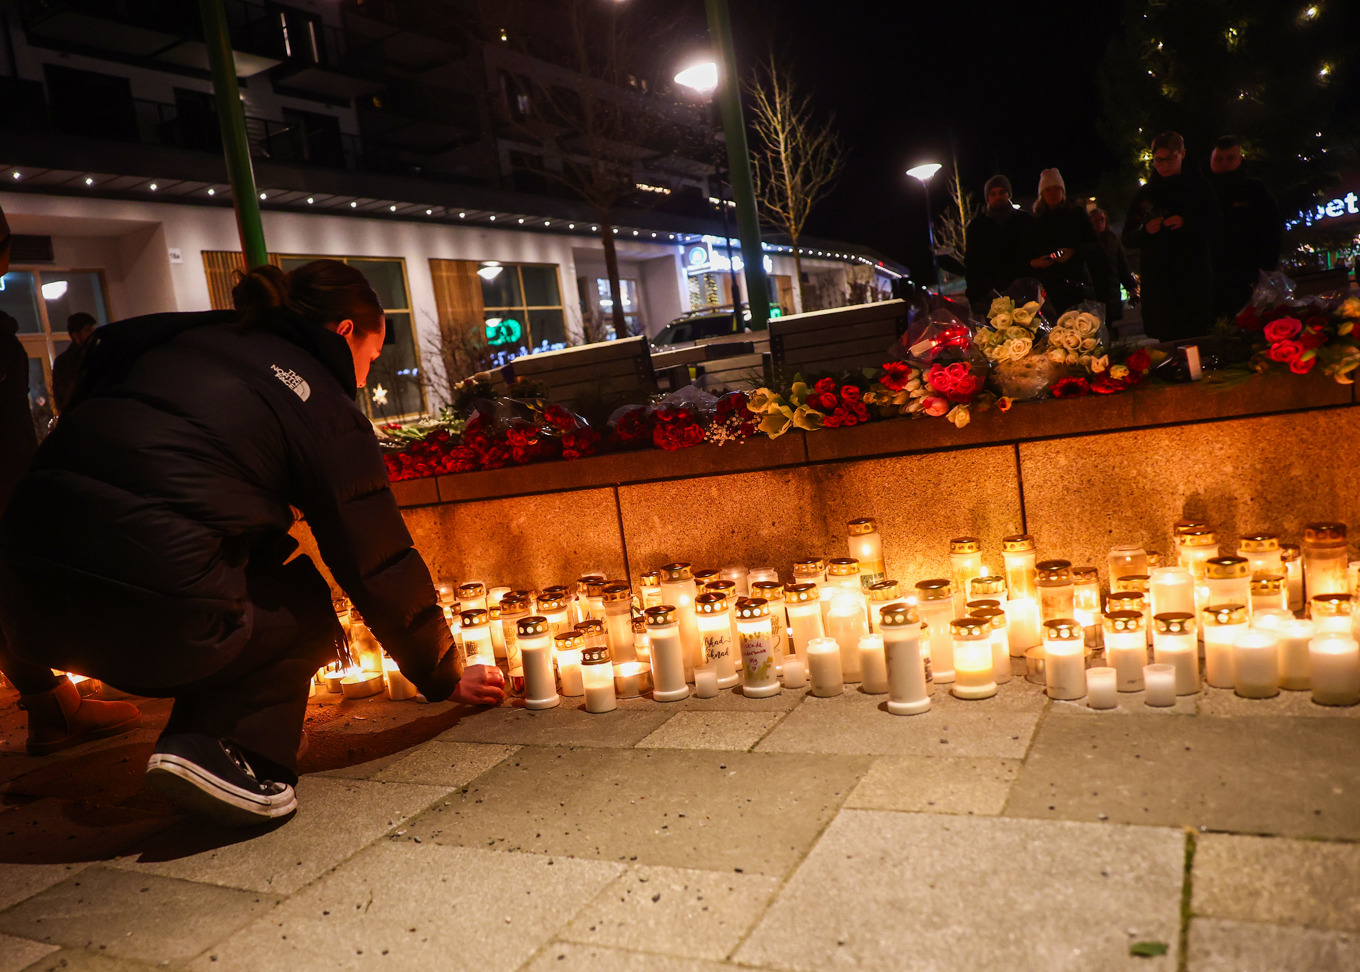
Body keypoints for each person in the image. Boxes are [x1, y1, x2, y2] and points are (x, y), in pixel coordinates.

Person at [0, 259, 504, 828]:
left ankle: (217, 731)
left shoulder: (180, 344)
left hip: (26, 615)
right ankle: (224, 750)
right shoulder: (315, 398)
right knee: (305, 608)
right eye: (371, 353)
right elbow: (374, 553)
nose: (365, 374)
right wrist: (441, 670)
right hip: (143, 615)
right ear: (343, 332)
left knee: (257, 560)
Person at [1122, 132, 1220, 341]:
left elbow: (1215, 224)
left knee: (1197, 333)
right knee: (1166, 337)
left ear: (1182, 154)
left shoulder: (1199, 187)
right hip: (1159, 283)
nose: (1164, 165)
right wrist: (1146, 231)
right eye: (1159, 160)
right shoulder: (1146, 194)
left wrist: (1187, 223)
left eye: (1170, 159)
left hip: (1193, 277)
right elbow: (1128, 237)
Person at [1209, 135, 1282, 319]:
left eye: (1230, 158)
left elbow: (1271, 231)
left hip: (1246, 278)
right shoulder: (1202, 191)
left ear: (1240, 159)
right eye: (1219, 158)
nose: (1224, 163)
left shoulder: (1254, 190)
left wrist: (1264, 271)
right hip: (1209, 281)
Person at [1028, 168, 1108, 316]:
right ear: (1042, 194)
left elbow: (1096, 248)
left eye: (1056, 189)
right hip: (1051, 293)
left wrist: (1073, 252)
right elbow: (1028, 255)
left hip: (1079, 288)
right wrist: (1036, 262)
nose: (1052, 193)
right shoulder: (1036, 223)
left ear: (1062, 191)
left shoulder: (1077, 215)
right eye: (1048, 190)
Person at [965, 174, 1039, 314]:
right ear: (988, 197)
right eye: (993, 194)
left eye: (1002, 192)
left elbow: (1035, 251)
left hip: (1026, 292)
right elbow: (972, 264)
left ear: (1008, 194)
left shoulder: (1025, 220)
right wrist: (975, 296)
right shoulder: (977, 227)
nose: (998, 196)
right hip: (992, 297)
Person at [1090, 208, 1139, 324]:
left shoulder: (1112, 240)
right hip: (1094, 291)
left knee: (1110, 324)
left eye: (1102, 220)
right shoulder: (1086, 242)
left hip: (1111, 290)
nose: (1099, 223)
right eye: (1095, 220)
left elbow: (1122, 265)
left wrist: (1131, 287)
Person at [51, 312, 98, 413]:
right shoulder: (64, 363)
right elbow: (63, 395)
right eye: (87, 330)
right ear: (75, 335)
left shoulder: (99, 353)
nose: (92, 333)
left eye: (92, 329)